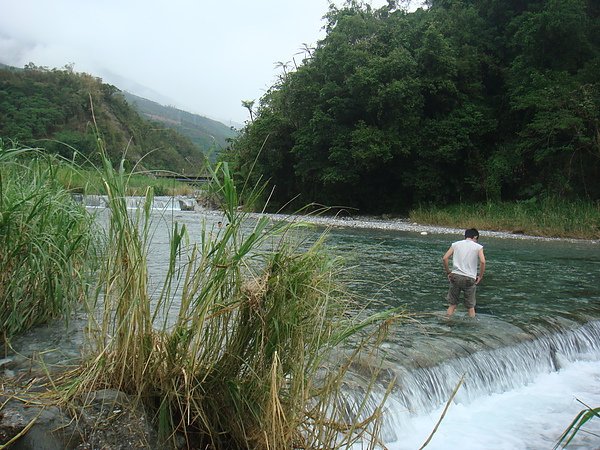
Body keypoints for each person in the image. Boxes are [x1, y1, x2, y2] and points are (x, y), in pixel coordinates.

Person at [442, 228, 486, 318]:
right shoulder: (478, 247)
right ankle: (472, 327)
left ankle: (446, 321)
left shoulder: (455, 244)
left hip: (456, 276)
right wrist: (480, 276)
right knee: (470, 307)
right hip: (469, 278)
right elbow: (482, 261)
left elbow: (445, 258)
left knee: (452, 304)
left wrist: (448, 272)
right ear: (475, 237)